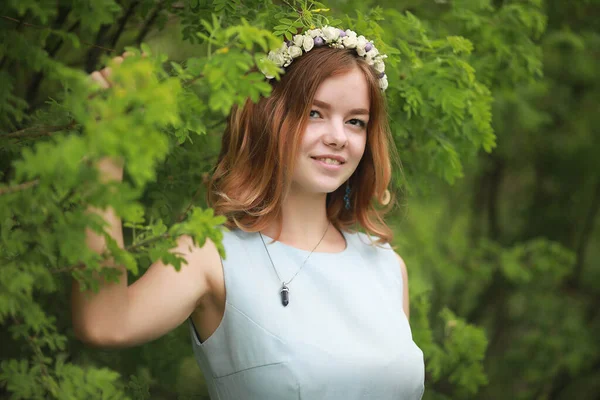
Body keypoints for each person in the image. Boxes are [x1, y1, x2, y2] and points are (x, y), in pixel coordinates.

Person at [72, 26, 425, 399]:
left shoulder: (387, 267)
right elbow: (104, 322)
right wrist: (104, 157)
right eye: (315, 113)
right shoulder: (210, 255)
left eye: (356, 121)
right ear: (268, 117)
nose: (339, 136)